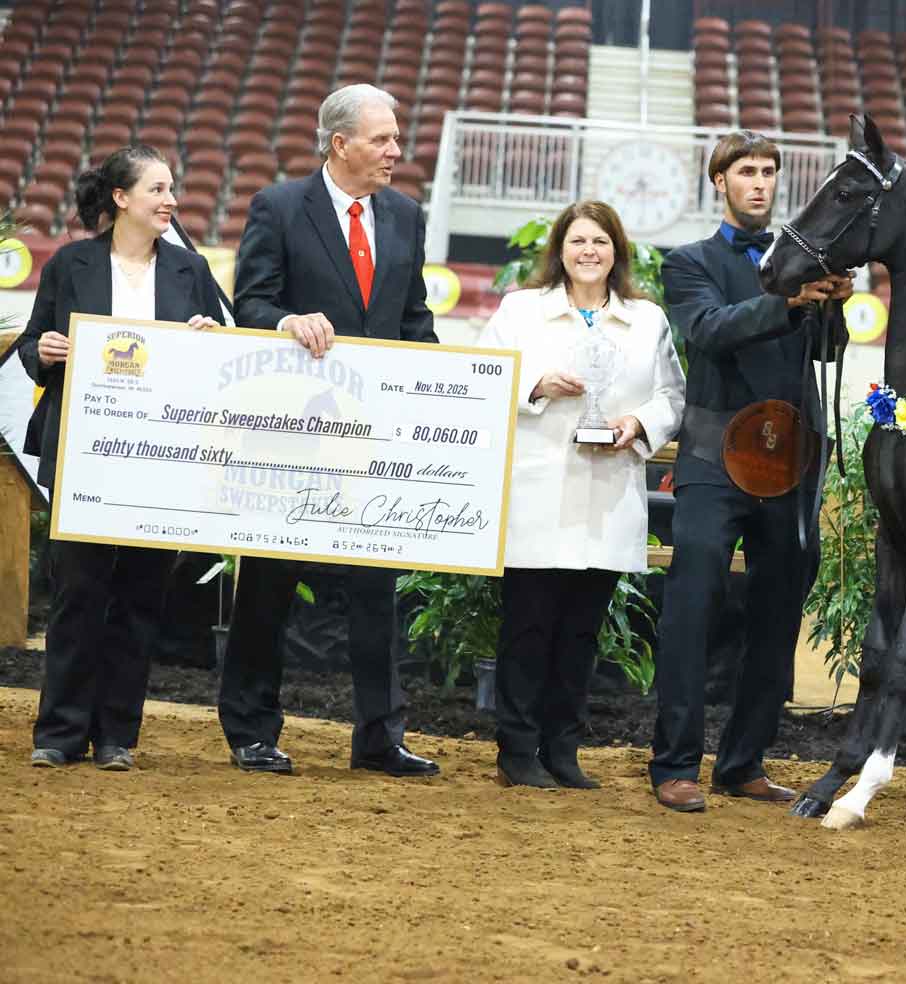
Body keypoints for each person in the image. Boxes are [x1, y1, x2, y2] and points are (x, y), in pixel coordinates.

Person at [218, 83, 439, 777]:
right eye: (382, 139)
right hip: (289, 434)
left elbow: (414, 322)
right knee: (269, 585)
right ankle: (251, 729)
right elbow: (251, 301)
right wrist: (285, 321)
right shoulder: (279, 207)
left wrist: (453, 390)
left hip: (372, 442)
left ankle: (379, 736)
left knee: (377, 592)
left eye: (396, 139)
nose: (395, 152)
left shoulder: (406, 214)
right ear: (340, 143)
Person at [649, 130, 851, 812]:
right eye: (745, 172)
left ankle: (743, 761)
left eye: (768, 172)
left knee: (778, 614)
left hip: (791, 460)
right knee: (692, 607)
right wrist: (791, 301)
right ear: (720, 182)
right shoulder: (689, 260)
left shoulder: (800, 261)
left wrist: (834, 300)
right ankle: (673, 763)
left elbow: (829, 350)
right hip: (712, 458)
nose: (759, 182)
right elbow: (708, 328)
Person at [18, 145, 225, 769]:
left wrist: (212, 342)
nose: (171, 201)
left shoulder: (192, 271)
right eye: (158, 189)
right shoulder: (70, 264)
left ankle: (116, 737)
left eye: (172, 189)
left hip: (160, 459)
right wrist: (46, 350)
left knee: (138, 599)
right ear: (121, 198)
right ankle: (58, 733)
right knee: (78, 595)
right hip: (84, 453)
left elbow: (224, 357)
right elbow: (31, 345)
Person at [476, 201, 684, 789]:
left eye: (600, 241)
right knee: (528, 629)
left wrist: (638, 425)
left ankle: (562, 750)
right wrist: (534, 386)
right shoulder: (521, 310)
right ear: (560, 250)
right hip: (538, 492)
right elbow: (481, 377)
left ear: (617, 250)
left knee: (580, 634)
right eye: (577, 241)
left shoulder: (648, 320)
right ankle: (517, 752)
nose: (588, 251)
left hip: (608, 492)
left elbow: (673, 397)